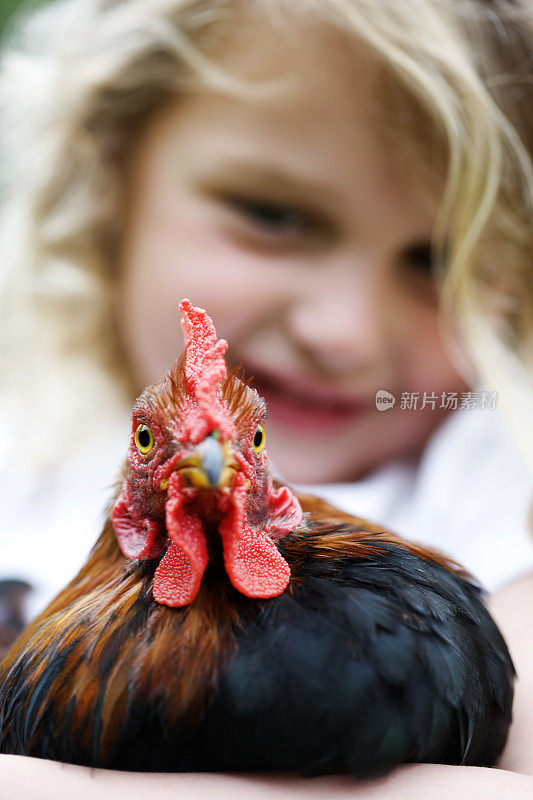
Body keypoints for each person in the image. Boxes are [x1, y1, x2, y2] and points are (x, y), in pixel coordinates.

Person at [0, 0, 532, 794]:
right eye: (273, 214)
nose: (341, 332)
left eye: (437, 259)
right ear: (111, 167)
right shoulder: (19, 460)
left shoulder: (496, 481)